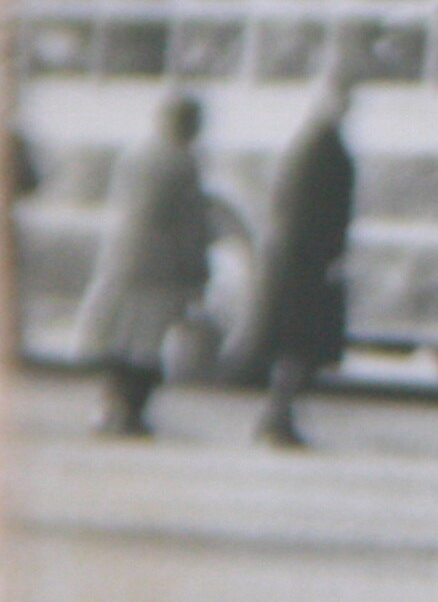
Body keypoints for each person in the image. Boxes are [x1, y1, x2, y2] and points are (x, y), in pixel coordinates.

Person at [73, 91, 237, 438]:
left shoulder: (136, 154)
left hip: (121, 261)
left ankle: (108, 408)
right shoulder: (183, 162)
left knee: (119, 341)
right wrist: (199, 271)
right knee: (147, 347)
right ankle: (131, 414)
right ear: (189, 125)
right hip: (161, 269)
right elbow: (189, 224)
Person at [233, 66, 358, 447]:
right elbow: (312, 211)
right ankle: (277, 418)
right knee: (296, 345)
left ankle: (278, 415)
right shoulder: (321, 146)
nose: (347, 107)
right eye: (342, 99)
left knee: (295, 346)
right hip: (303, 263)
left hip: (297, 259)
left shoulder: (312, 141)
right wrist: (329, 258)